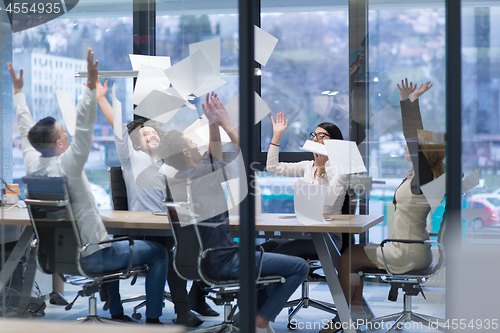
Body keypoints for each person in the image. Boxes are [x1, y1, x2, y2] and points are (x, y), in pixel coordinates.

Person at [7, 49, 168, 325]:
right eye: (62, 133)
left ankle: (116, 313)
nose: (68, 134)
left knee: (117, 242)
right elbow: (83, 127)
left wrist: (19, 94)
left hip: (59, 258)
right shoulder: (70, 164)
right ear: (59, 144)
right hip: (95, 254)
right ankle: (152, 320)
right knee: (161, 253)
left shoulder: (32, 163)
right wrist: (91, 90)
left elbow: (25, 130)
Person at [159, 93, 310, 333]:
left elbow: (214, 155)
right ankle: (261, 319)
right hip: (224, 261)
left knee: (267, 250)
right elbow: (240, 152)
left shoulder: (178, 179)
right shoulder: (203, 176)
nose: (198, 148)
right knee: (299, 266)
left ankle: (246, 315)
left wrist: (212, 124)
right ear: (188, 154)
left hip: (196, 263)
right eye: (192, 146)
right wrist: (225, 123)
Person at [320, 79, 445, 333]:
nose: (405, 146)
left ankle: (344, 317)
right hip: (415, 248)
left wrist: (409, 103)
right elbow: (415, 140)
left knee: (346, 259)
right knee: (354, 252)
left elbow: (412, 136)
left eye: (412, 147)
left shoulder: (424, 179)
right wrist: (411, 101)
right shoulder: (426, 177)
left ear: (422, 153)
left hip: (406, 253)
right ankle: (355, 313)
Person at [96, 80, 218, 327]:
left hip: (168, 224)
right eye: (144, 134)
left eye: (153, 132)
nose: (150, 134)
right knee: (169, 255)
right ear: (136, 142)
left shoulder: (170, 159)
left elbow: (184, 136)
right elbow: (119, 130)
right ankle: (173, 311)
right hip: (141, 228)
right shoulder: (133, 159)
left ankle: (189, 304)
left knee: (196, 248)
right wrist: (101, 99)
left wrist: (206, 119)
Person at [262, 113, 349, 255]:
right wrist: (277, 134)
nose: (315, 139)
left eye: (321, 136)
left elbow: (327, 201)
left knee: (282, 251)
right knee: (267, 246)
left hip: (328, 236)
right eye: (314, 135)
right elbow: (273, 167)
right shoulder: (308, 166)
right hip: (307, 233)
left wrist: (321, 171)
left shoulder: (341, 170)